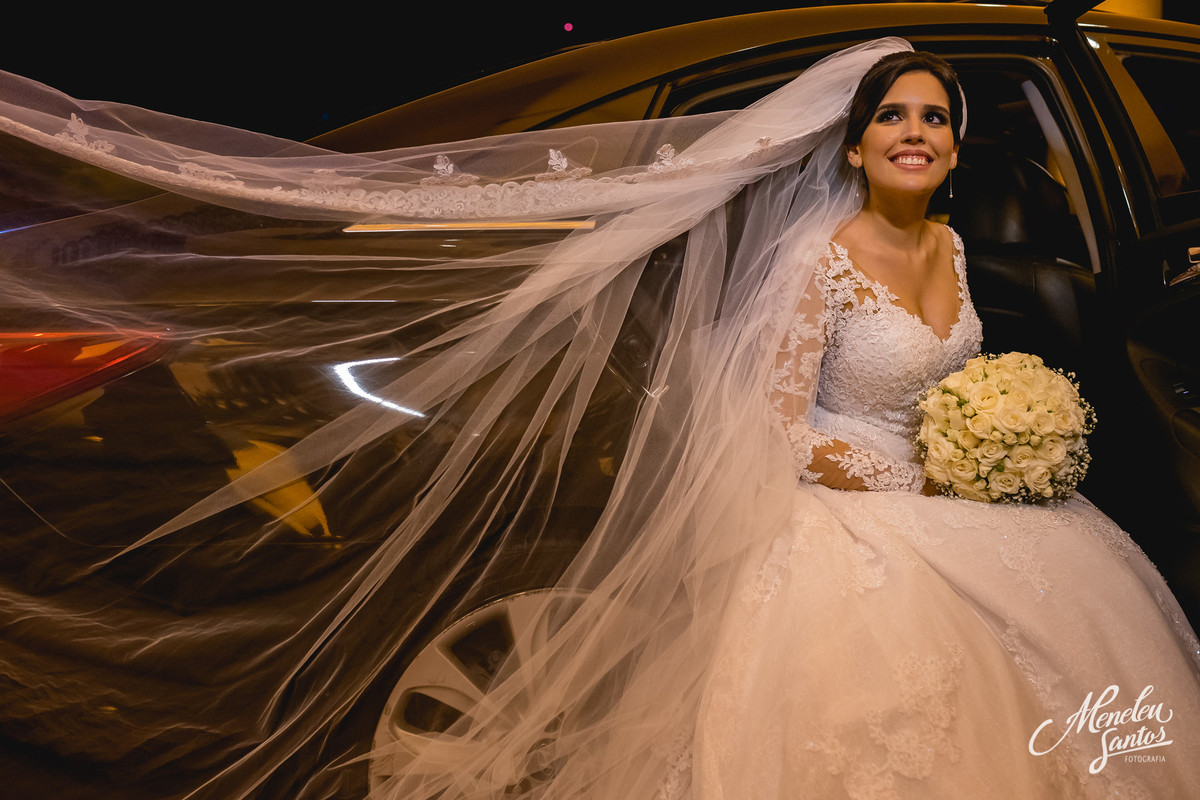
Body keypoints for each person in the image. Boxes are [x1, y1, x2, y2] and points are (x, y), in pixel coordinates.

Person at [0, 38, 1197, 800]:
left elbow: (935, 385)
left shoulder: (948, 245)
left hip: (957, 500)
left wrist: (990, 437)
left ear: (956, 145)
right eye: (897, 117)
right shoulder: (821, 256)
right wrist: (914, 479)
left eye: (938, 118)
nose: (919, 135)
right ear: (853, 139)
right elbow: (783, 426)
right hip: (857, 513)